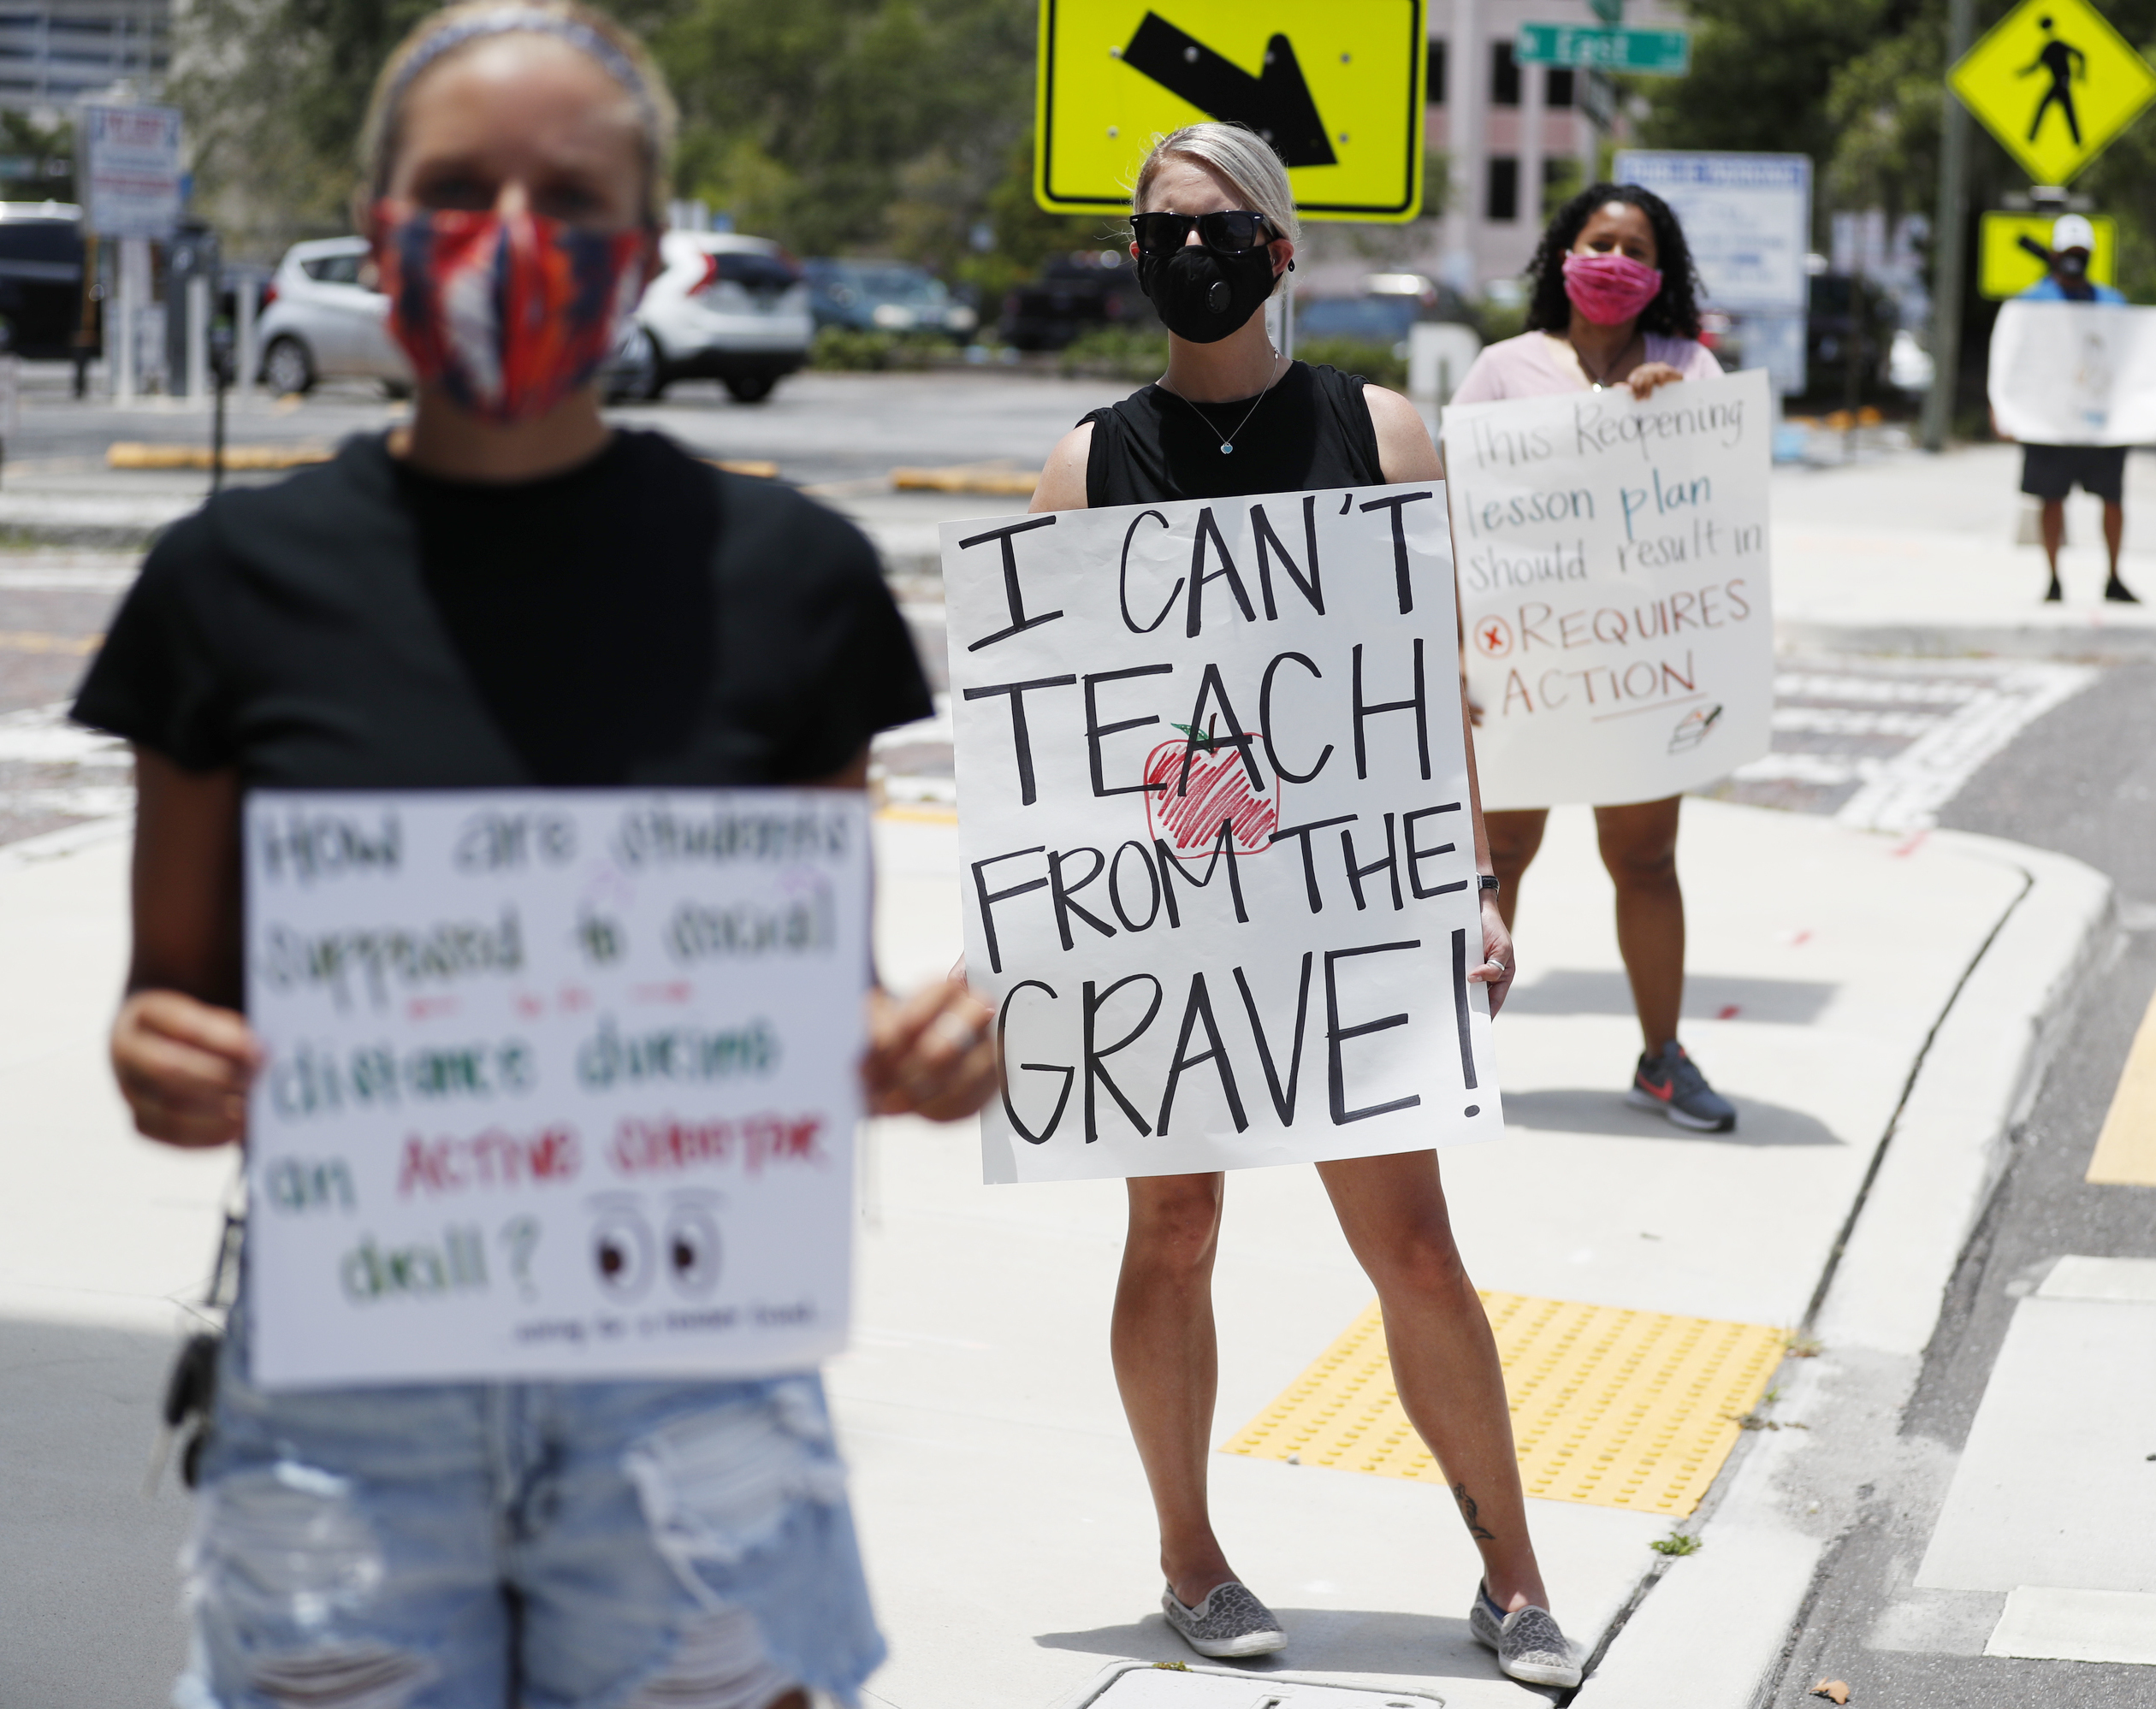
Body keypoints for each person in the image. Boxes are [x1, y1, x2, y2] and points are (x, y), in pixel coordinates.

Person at [72, 6, 997, 1706]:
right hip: (347, 1405)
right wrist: (162, 1060)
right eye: (457, 187)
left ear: (646, 251)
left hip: (692, 1397)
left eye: (569, 200)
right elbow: (160, 1014)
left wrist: (901, 1054)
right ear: (377, 223)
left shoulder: (790, 581)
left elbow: (812, 1004)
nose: (511, 237)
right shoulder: (228, 589)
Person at [1023, 121, 1581, 1691]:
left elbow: (1431, 693)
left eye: (1213, 226)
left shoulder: (1379, 430)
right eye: (1156, 230)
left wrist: (1470, 882)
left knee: (1409, 1245)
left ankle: (1513, 1574)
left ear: (1275, 247)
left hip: (1341, 909)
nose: (1182, 253)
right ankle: (1187, 1559)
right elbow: (1057, 730)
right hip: (1171, 908)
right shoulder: (1088, 461)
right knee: (1173, 1224)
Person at [1448, 183, 1738, 1136]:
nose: (1614, 260)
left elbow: (1719, 507)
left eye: (1635, 247)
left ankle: (1663, 1057)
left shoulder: (1690, 367)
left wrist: (1668, 419)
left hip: (1639, 663)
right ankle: (1458, 1055)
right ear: (1563, 255)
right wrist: (1450, 645)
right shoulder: (1502, 370)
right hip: (1523, 660)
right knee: (1504, 859)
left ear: (1661, 274)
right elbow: (1450, 514)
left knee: (1646, 859)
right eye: (1598, 240)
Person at [2016, 213, 2138, 606]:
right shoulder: (2031, 302)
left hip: (2100, 424)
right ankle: (2053, 579)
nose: (2074, 258)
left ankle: (2114, 577)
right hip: (2052, 422)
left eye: (2081, 252)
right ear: (2054, 254)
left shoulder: (2112, 303)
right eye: (2068, 252)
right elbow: (2015, 361)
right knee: (2051, 499)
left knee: (2113, 499)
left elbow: (2135, 362)